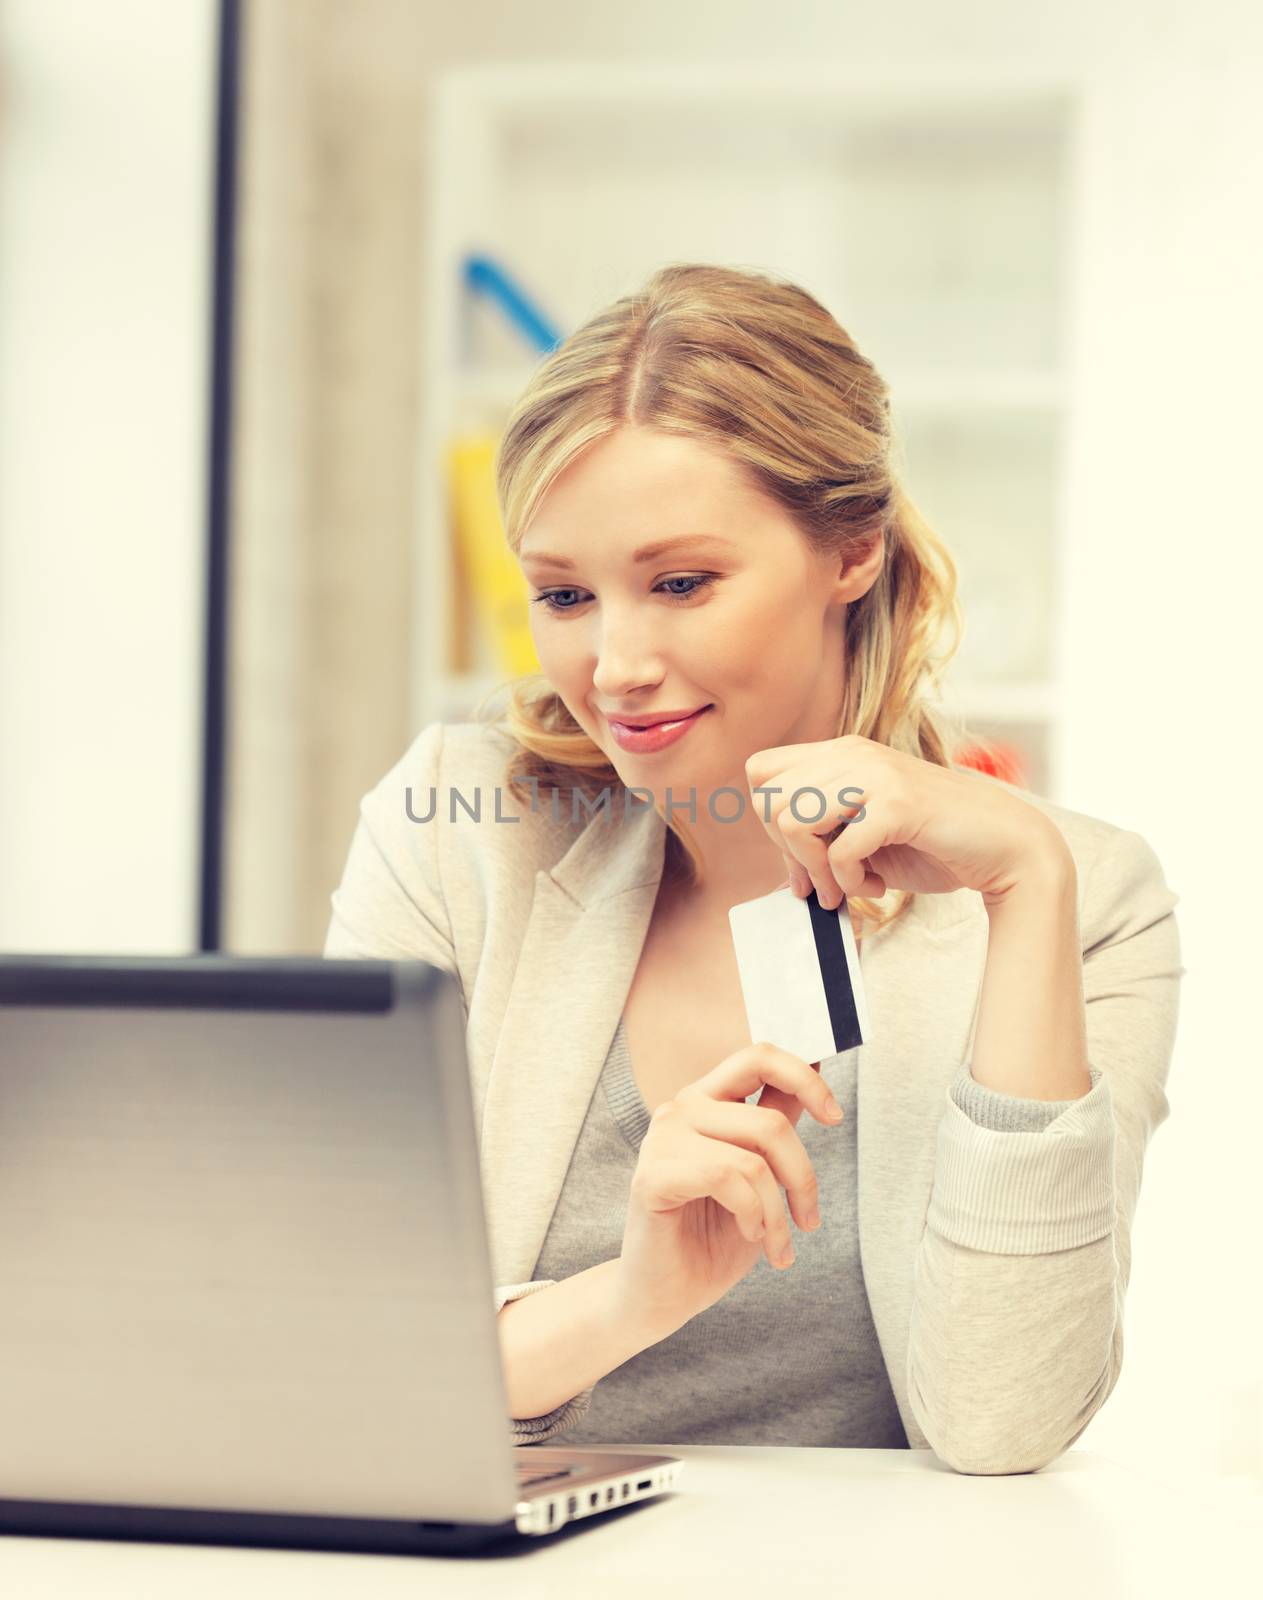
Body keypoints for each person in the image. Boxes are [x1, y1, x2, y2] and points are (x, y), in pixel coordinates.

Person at [324, 263, 1183, 1473]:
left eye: (681, 582)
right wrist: (629, 1299)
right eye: (565, 594)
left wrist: (1028, 880)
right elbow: (340, 1366)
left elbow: (1003, 1420)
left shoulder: (1089, 900)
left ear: (853, 552)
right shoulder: (459, 832)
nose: (615, 663)